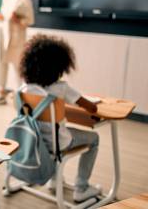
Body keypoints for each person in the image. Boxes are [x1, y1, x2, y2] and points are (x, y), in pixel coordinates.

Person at [19, 34, 101, 202]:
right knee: (94, 139)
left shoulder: (25, 88)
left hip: (35, 140)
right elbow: (91, 107)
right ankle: (82, 187)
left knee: (54, 133)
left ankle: (54, 180)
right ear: (59, 66)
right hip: (59, 143)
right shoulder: (61, 88)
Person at [0, 0, 34, 105]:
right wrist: (1, 17)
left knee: (18, 67)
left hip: (17, 38)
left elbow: (30, 21)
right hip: (4, 36)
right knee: (2, 64)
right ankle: (1, 93)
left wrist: (17, 20)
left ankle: (21, 96)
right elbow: (5, 16)